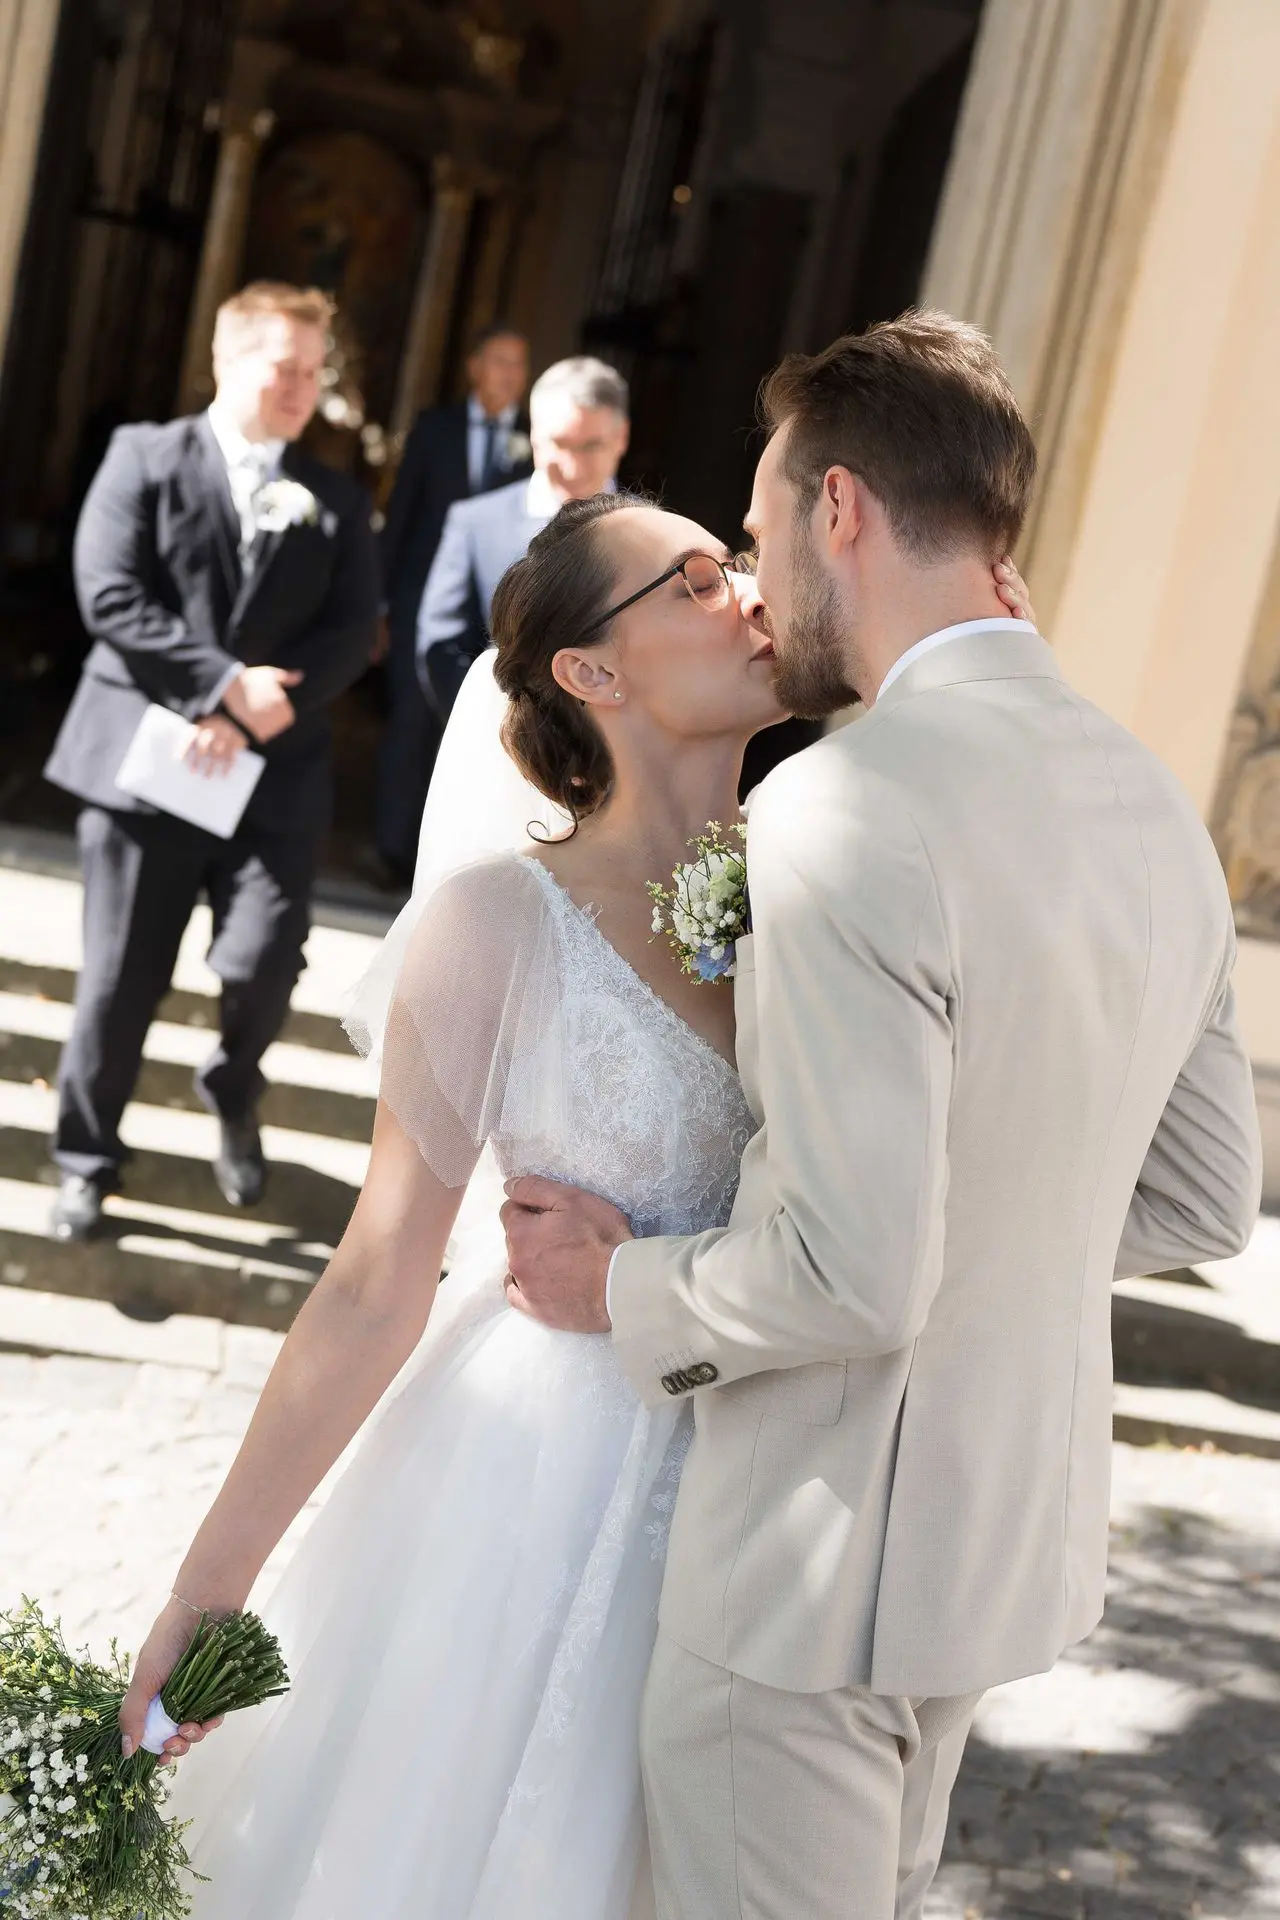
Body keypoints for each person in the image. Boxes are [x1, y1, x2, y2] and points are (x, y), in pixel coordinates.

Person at [117, 482, 1031, 1919]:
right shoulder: (494, 922)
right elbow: (373, 1284)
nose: (748, 591)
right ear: (590, 673)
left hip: (774, 1517)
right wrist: (204, 1592)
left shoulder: (838, 903)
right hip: (523, 1501)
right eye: (693, 582)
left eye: (736, 564)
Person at [500, 313, 1263, 1918]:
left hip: (808, 1579)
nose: (756, 581)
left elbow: (851, 1272)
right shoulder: (1153, 806)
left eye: (762, 529)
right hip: (991, 1565)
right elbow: (1204, 1197)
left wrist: (619, 1286)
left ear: (840, 508)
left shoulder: (846, 803)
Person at [45, 280, 378, 1240]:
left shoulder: (335, 497)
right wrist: (222, 686)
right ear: (227, 360)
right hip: (147, 766)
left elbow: (353, 630)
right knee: (120, 978)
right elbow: (110, 593)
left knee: (267, 957)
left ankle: (233, 1086)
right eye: (285, 368)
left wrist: (268, 708)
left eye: (314, 372)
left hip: (274, 772)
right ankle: (86, 1159)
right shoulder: (143, 457)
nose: (303, 388)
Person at [372, 324, 532, 886]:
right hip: (423, 602)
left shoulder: (536, 442)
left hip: (501, 615)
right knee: (410, 724)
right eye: (499, 361)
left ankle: (452, 866)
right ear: (474, 367)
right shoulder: (434, 429)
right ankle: (393, 853)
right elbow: (402, 516)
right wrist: (381, 604)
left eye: (518, 364)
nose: (509, 375)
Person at [415, 355, 629, 721]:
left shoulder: (653, 531)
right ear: (533, 434)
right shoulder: (476, 523)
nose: (573, 465)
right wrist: (499, 730)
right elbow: (441, 649)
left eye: (591, 446)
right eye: (559, 443)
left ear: (621, 437)